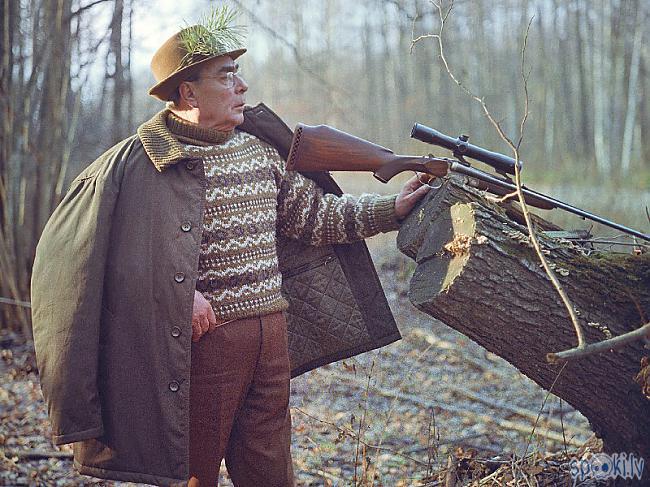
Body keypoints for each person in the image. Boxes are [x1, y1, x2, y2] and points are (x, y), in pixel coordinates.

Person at [31, 8, 430, 487]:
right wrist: (179, 299)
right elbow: (93, 266)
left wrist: (393, 209)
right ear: (188, 92)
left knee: (270, 473)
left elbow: (316, 219)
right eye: (226, 76)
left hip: (272, 336)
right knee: (194, 473)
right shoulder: (142, 166)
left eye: (239, 74)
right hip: (201, 347)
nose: (241, 87)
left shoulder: (257, 151)